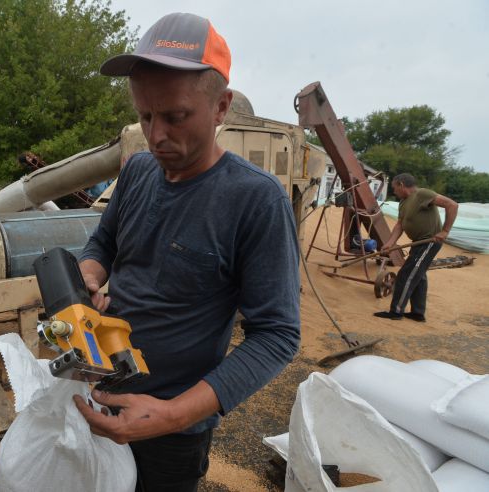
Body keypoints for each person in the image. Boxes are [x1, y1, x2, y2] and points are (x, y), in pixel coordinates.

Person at [73, 13, 301, 491]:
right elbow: (104, 244)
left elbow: (277, 335)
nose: (156, 136)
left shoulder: (255, 200)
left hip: (172, 427)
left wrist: (171, 415)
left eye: (175, 117)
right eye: (145, 116)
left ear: (221, 108)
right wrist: (89, 276)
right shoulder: (137, 171)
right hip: (100, 388)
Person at [374, 173, 458, 321]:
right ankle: (418, 313)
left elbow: (452, 205)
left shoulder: (422, 194)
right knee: (419, 276)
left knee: (406, 275)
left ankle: (396, 311)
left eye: (394, 188)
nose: (394, 191)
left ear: (401, 185)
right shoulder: (403, 202)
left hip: (428, 242)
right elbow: (400, 225)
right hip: (418, 243)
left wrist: (445, 231)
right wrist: (389, 243)